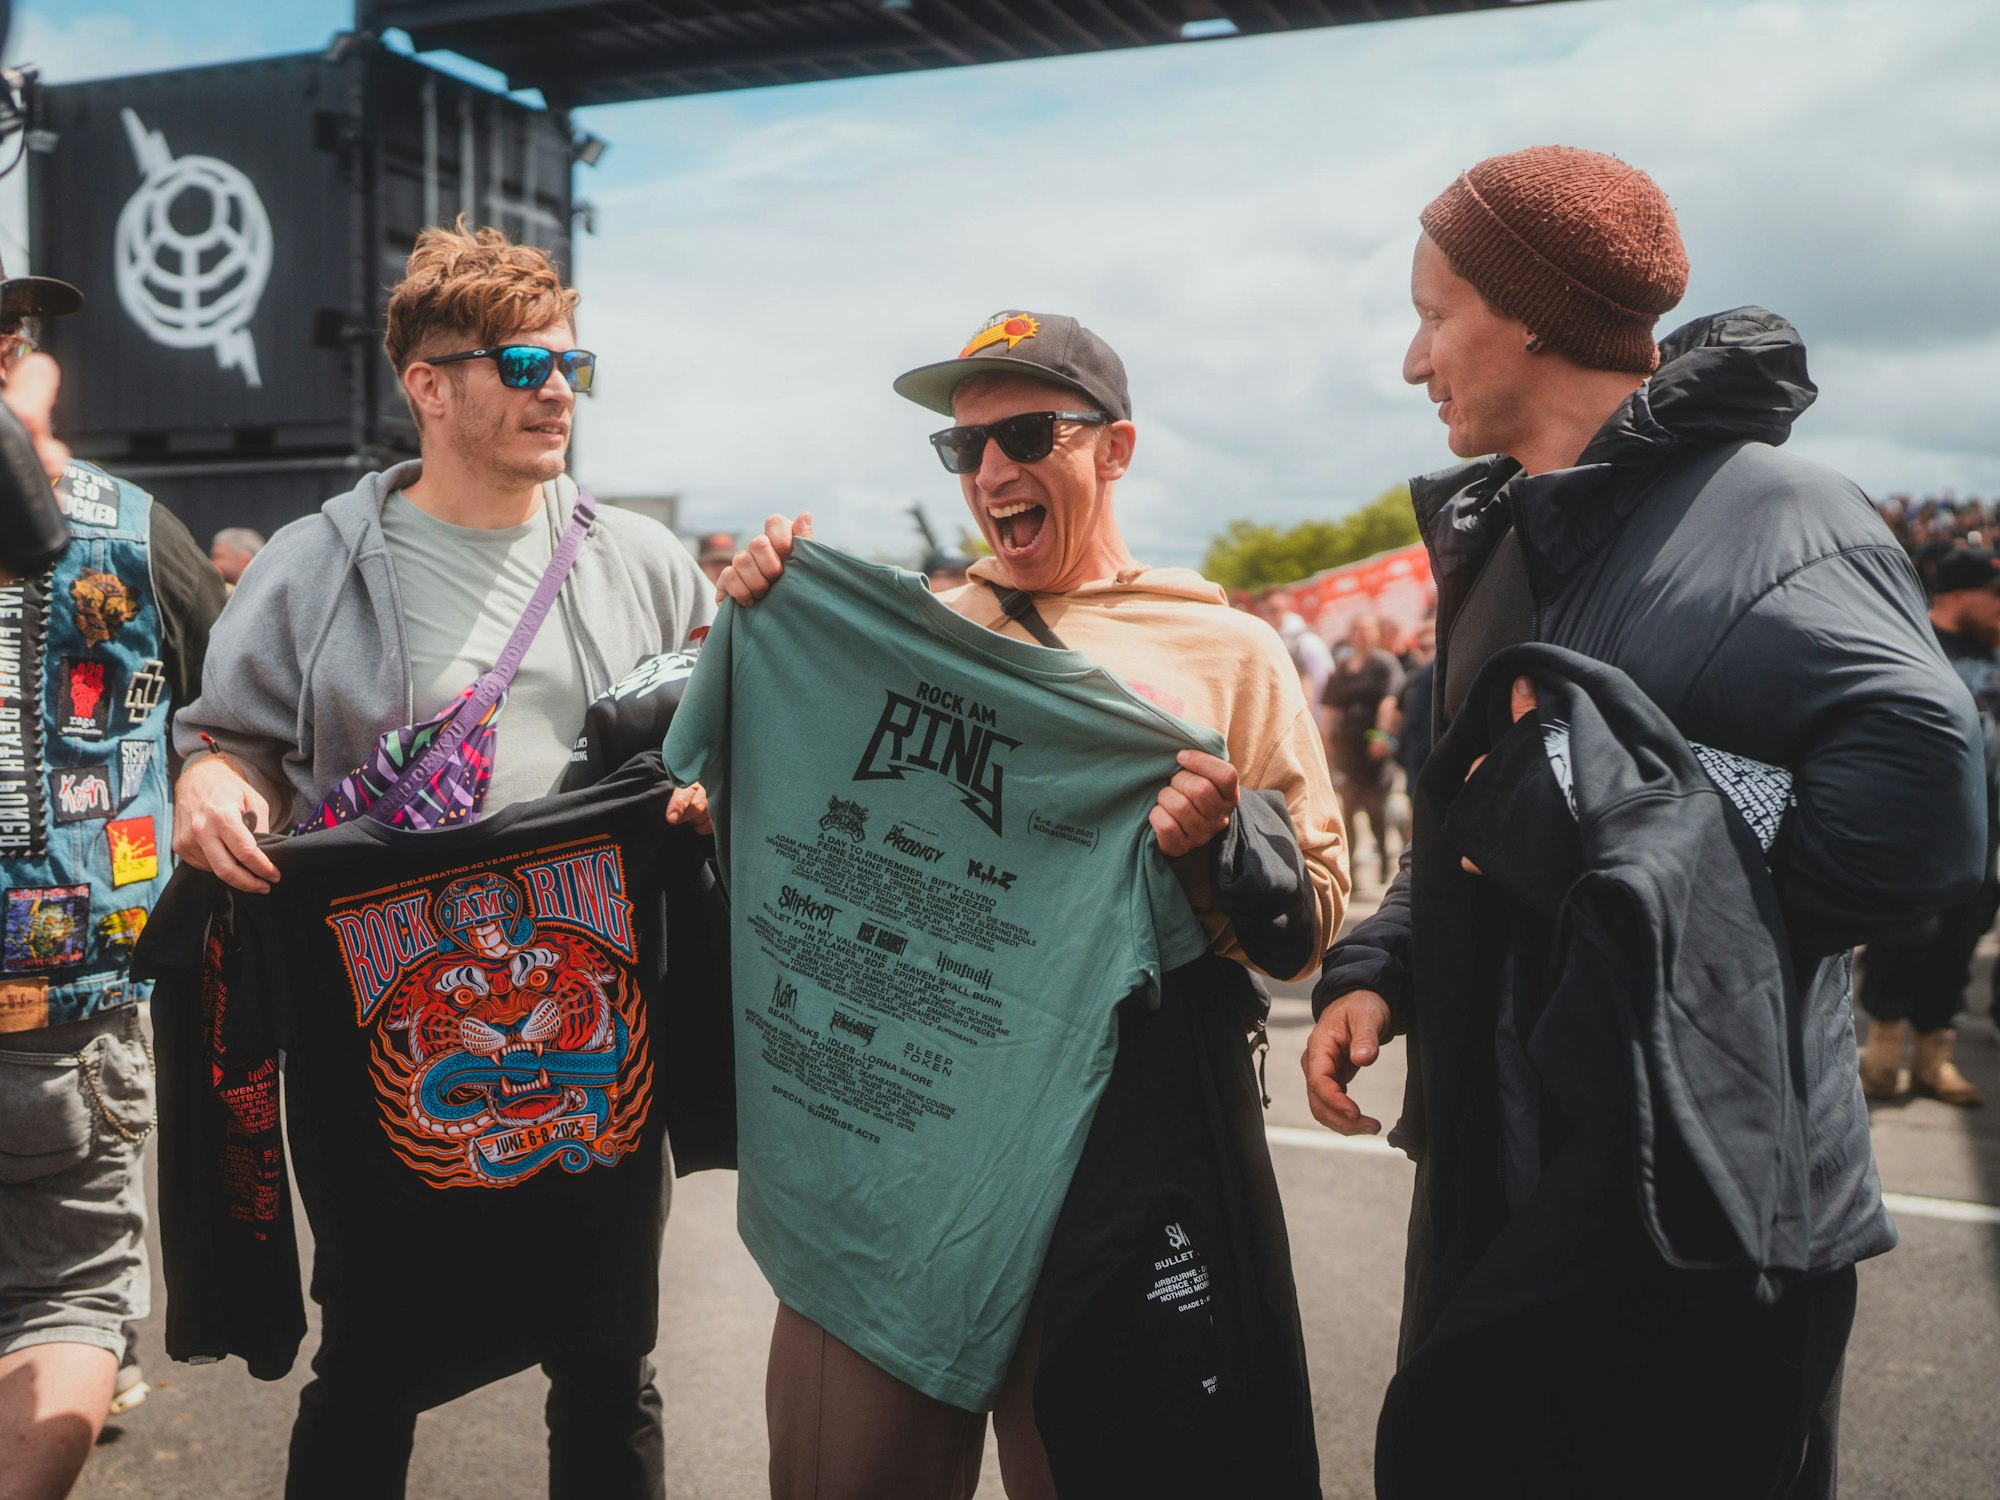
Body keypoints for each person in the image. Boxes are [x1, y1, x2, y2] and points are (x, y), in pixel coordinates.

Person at [1302, 146, 1984, 1496]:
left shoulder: (1780, 516)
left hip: (1702, 1221)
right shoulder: (1509, 541)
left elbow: (1916, 832)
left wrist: (1576, 803)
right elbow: (1478, 810)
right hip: (1501, 1175)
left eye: (1434, 314)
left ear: (1536, 315)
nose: (1411, 360)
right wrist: (1383, 961)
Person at [713, 310, 1346, 1498]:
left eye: (1024, 435)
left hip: (1125, 1127)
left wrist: (1217, 850)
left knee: (1110, 1462)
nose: (992, 471)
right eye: (964, 451)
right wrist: (767, 612)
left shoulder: (1226, 651)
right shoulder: (906, 641)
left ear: (1112, 449)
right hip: (913, 1133)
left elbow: (1308, 920)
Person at [168, 221, 712, 1500]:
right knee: (371, 1360)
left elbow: (713, 736)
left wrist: (703, 796)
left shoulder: (635, 558)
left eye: (575, 364)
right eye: (524, 363)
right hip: (393, 1040)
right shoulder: (315, 563)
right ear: (429, 384)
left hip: (592, 1022)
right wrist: (207, 776)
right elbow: (230, 742)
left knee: (609, 1355)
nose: (558, 389)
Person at [0, 265, 226, 1500]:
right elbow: (228, 704)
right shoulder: (132, 526)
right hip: (64, 995)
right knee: (66, 1300)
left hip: (70, 1001)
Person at [1855, 545, 2000, 1106]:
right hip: (1912, 835)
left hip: (1983, 836)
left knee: (1959, 951)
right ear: (1959, 595)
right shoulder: (1907, 639)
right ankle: (1881, 1060)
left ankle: (1934, 1065)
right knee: (1901, 946)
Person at [1320, 613, 1402, 887]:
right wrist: (1326, 739)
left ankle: (1383, 865)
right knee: (1347, 811)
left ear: (1376, 632)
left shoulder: (1384, 664)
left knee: (1375, 808)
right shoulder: (1342, 667)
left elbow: (1388, 701)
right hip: (1346, 750)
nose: (1362, 634)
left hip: (1372, 750)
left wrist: (1381, 736)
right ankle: (1351, 872)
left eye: (1367, 629)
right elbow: (1331, 707)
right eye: (1357, 629)